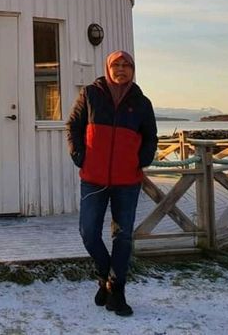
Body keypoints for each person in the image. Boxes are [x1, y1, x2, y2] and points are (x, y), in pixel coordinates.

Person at [66, 50, 157, 316]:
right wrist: (79, 155)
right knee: (88, 232)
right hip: (93, 178)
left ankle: (117, 291)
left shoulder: (142, 102)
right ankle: (105, 276)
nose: (121, 69)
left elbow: (150, 136)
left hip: (127, 180)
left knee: (123, 235)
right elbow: (73, 125)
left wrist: (141, 159)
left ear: (133, 69)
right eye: (116, 65)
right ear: (108, 67)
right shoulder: (91, 94)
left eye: (126, 65)